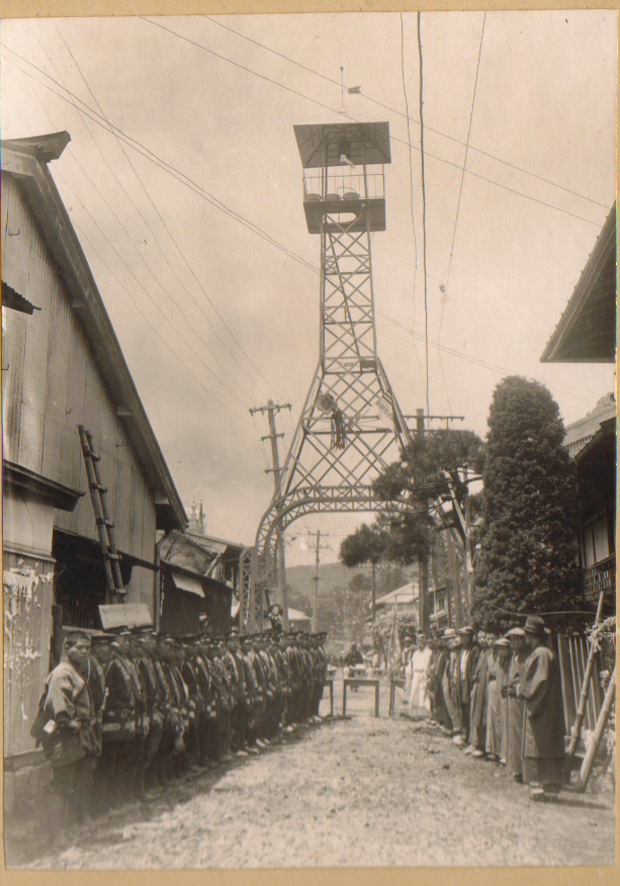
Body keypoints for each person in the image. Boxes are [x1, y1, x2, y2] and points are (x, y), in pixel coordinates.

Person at [31, 631, 101, 842]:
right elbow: (57, 702)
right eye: (79, 648)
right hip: (64, 735)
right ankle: (56, 834)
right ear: (66, 648)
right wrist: (67, 721)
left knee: (71, 782)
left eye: (87, 648)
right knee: (61, 784)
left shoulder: (74, 671)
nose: (84, 652)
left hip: (76, 736)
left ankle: (64, 829)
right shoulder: (62, 672)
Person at [517, 616, 565, 800]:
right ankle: (546, 788)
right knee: (544, 746)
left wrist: (522, 689)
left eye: (527, 635)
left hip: (542, 708)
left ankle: (544, 788)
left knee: (540, 746)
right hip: (545, 706)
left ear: (530, 636)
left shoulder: (541, 654)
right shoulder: (542, 652)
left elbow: (538, 681)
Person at [504, 627, 529, 782]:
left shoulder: (526, 658)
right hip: (511, 698)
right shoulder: (514, 657)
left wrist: (515, 689)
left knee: (521, 732)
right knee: (513, 732)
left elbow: (525, 679)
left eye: (517, 640)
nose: (514, 642)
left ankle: (522, 770)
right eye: (512, 640)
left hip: (520, 698)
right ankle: (515, 767)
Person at [407, 632, 432, 718]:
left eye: (421, 641)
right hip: (415, 674)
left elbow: (427, 664)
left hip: (423, 674)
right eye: (418, 641)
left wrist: (425, 674)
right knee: (414, 691)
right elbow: (411, 663)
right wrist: (410, 673)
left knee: (423, 692)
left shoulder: (428, 652)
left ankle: (423, 713)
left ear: (425, 641)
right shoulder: (415, 653)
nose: (420, 643)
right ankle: (413, 713)